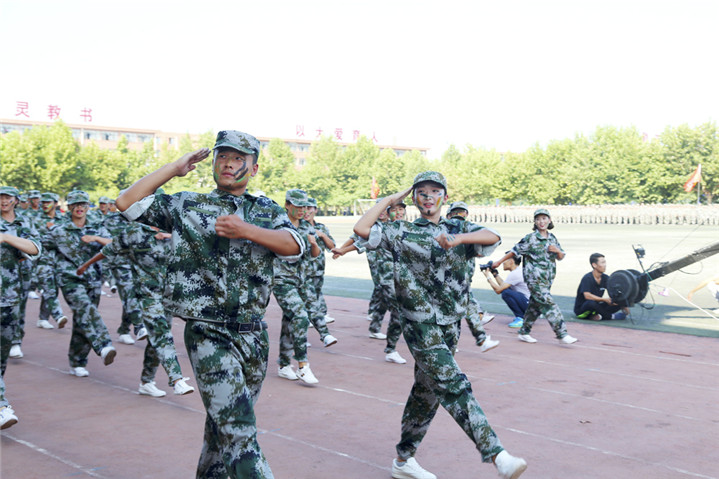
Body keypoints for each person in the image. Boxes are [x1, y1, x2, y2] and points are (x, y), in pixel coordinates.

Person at [116, 130, 303, 479]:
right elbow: (126, 203)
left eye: (238, 158)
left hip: (254, 336)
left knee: (221, 432)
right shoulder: (187, 205)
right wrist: (174, 168)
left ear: (254, 168)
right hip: (208, 333)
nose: (228, 164)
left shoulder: (267, 210)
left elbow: (295, 245)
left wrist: (246, 230)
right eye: (222, 156)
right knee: (239, 430)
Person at [354, 172, 527, 479]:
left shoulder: (459, 227)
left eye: (435, 191)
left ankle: (403, 460)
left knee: (427, 393)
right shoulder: (401, 230)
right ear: (414, 198)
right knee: (452, 382)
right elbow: (361, 229)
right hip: (419, 323)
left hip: (450, 322)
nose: (428, 197)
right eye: (421, 192)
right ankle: (496, 453)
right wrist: (391, 199)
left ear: (444, 197)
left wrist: (458, 240)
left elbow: (493, 237)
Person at [76, 221, 195, 397]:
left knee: (156, 340)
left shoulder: (176, 228)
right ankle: (177, 380)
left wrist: (172, 236)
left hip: (170, 295)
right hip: (147, 295)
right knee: (161, 334)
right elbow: (109, 249)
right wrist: (86, 265)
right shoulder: (134, 232)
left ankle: (147, 382)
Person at [47, 190, 117, 376]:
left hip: (93, 279)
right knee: (86, 309)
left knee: (82, 319)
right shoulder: (58, 229)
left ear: (88, 206)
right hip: (69, 278)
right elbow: (41, 248)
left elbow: (114, 244)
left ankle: (77, 361)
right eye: (75, 205)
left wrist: (96, 238)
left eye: (83, 204)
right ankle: (103, 345)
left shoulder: (97, 226)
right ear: (69, 207)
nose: (79, 208)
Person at [489, 209, 577, 344]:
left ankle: (524, 332)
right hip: (534, 279)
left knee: (534, 306)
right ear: (535, 222)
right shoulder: (530, 238)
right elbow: (514, 251)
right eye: (538, 219)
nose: (541, 222)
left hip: (547, 279)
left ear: (549, 220)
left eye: (544, 218)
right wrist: (499, 262)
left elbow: (561, 256)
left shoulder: (552, 238)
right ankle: (562, 333)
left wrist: (558, 251)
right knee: (549, 304)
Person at [274, 189, 332, 384]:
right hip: (282, 279)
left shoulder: (307, 227)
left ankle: (283, 364)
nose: (302, 210)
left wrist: (314, 244)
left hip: (302, 279)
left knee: (289, 320)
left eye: (305, 206)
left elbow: (314, 255)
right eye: (298, 206)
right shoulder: (277, 225)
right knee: (300, 316)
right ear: (287, 205)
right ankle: (302, 365)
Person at [1, 185, 42, 429]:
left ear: (15, 200)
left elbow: (35, 249)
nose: (3, 201)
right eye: (0, 197)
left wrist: (6, 237)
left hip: (9, 297)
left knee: (1, 357)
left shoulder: (24, 223)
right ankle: (2, 406)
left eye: (7, 197)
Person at [446, 202, 498, 352]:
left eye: (461, 212)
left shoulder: (461, 229)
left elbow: (480, 250)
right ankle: (481, 337)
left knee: (455, 313)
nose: (458, 216)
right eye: (456, 212)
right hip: (455, 279)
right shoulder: (467, 228)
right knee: (465, 307)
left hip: (458, 278)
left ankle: (452, 345)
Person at [33, 192, 69, 330]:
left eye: (48, 202)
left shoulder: (64, 220)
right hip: (42, 260)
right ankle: (58, 315)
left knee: (53, 289)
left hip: (59, 260)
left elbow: (67, 240)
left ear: (55, 203)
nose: (45, 205)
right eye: (43, 202)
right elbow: (37, 242)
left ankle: (43, 318)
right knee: (49, 289)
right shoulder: (35, 220)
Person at [304, 197, 336, 324]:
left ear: (315, 210)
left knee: (316, 291)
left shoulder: (321, 228)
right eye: (304, 208)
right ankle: (310, 317)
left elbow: (332, 247)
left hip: (318, 268)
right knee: (307, 293)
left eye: (309, 208)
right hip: (302, 268)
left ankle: (319, 315)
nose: (306, 211)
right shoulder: (297, 227)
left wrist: (322, 235)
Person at [574, 253, 628, 321]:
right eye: (602, 262)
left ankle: (596, 316)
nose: (605, 265)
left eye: (605, 262)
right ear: (594, 265)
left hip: (596, 308)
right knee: (591, 303)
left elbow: (614, 290)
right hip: (582, 310)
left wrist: (623, 304)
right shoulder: (587, 278)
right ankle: (611, 316)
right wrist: (604, 300)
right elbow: (587, 296)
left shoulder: (605, 278)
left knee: (617, 301)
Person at [482, 253, 530, 328]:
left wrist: (488, 277)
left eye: (505, 260)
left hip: (529, 306)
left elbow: (498, 290)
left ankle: (520, 318)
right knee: (506, 290)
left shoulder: (515, 274)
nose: (503, 262)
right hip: (530, 305)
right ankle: (523, 317)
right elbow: (503, 285)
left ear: (511, 261)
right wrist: (494, 274)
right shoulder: (518, 271)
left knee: (505, 293)